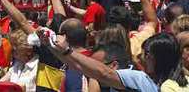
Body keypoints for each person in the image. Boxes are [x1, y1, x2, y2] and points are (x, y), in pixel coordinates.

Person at [46, 32, 188, 91]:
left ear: (155, 57)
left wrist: (67, 50)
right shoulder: (184, 81)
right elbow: (80, 66)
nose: (142, 56)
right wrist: (52, 46)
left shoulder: (140, 80)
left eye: (146, 53)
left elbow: (103, 73)